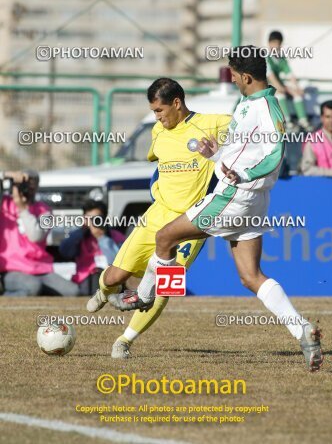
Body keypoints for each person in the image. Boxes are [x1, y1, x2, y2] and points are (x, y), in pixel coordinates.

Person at [115, 47, 323, 372]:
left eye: (235, 75)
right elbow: (243, 151)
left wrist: (243, 174)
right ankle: (302, 330)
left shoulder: (266, 108)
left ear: (246, 76)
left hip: (233, 196)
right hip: (251, 202)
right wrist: (217, 156)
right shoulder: (248, 103)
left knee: (165, 237)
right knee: (251, 276)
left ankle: (142, 296)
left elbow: (275, 152)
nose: (234, 80)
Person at [86, 77, 231, 358]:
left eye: (159, 111)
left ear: (177, 103)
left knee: (164, 287)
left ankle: (124, 341)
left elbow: (249, 129)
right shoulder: (157, 132)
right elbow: (157, 165)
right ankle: (104, 292)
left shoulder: (214, 124)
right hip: (156, 217)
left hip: (191, 222)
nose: (158, 117)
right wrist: (157, 186)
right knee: (117, 275)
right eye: (154, 112)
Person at [0, 170, 78, 297]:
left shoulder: (45, 210)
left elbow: (35, 236)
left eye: (32, 184)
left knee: (72, 292)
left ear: (37, 186)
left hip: (40, 269)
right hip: (12, 268)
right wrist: (8, 175)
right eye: (24, 184)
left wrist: (22, 209)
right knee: (33, 286)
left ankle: (32, 291)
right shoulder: (4, 203)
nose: (28, 188)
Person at [59, 200, 125, 295]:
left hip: (111, 279)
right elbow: (64, 251)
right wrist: (82, 231)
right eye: (89, 218)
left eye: (97, 218)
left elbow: (120, 262)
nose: (93, 222)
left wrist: (102, 238)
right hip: (86, 280)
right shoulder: (79, 236)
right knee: (94, 277)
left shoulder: (116, 236)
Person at [267, 30, 312, 132]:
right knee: (280, 93)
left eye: (278, 43)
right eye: (274, 43)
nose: (276, 46)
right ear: (269, 44)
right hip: (267, 86)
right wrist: (280, 87)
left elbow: (290, 74)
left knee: (296, 93)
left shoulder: (281, 59)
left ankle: (303, 120)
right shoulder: (266, 57)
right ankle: (286, 121)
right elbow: (270, 76)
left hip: (278, 85)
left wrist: (297, 87)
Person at [301, 100, 332, 177]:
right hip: (323, 187)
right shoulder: (312, 140)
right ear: (322, 118)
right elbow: (307, 169)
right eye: (328, 117)